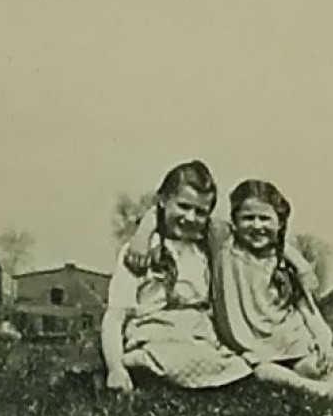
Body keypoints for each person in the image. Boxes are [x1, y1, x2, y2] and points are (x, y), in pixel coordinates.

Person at [127, 178, 333, 410]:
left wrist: (323, 339)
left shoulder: (280, 260)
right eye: (248, 218)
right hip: (254, 353)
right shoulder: (222, 243)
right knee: (269, 376)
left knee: (320, 367)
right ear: (233, 221)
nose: (256, 226)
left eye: (265, 219)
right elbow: (162, 210)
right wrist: (141, 237)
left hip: (290, 342)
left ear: (279, 224)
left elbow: (305, 307)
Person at [101, 160, 253, 393]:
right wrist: (114, 368)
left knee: (240, 363)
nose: (190, 217)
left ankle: (195, 373)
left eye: (200, 212)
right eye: (183, 206)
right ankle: (139, 366)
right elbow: (115, 314)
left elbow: (253, 237)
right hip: (155, 333)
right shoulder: (141, 250)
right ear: (163, 200)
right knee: (170, 357)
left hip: (197, 336)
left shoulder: (206, 249)